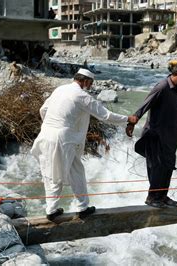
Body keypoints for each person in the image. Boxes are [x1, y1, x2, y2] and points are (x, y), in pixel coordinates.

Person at [31, 68, 138, 221]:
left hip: (46, 134)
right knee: (56, 174)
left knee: (72, 171)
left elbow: (44, 110)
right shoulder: (82, 96)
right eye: (91, 83)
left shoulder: (60, 89)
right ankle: (53, 210)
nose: (91, 87)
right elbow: (105, 116)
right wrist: (128, 119)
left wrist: (52, 126)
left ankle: (80, 207)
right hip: (62, 139)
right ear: (86, 81)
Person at [126, 61, 177, 208]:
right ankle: (152, 197)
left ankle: (162, 196)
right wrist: (132, 122)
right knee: (156, 166)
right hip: (155, 135)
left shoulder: (176, 91)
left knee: (168, 167)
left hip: (170, 137)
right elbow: (145, 104)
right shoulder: (162, 86)